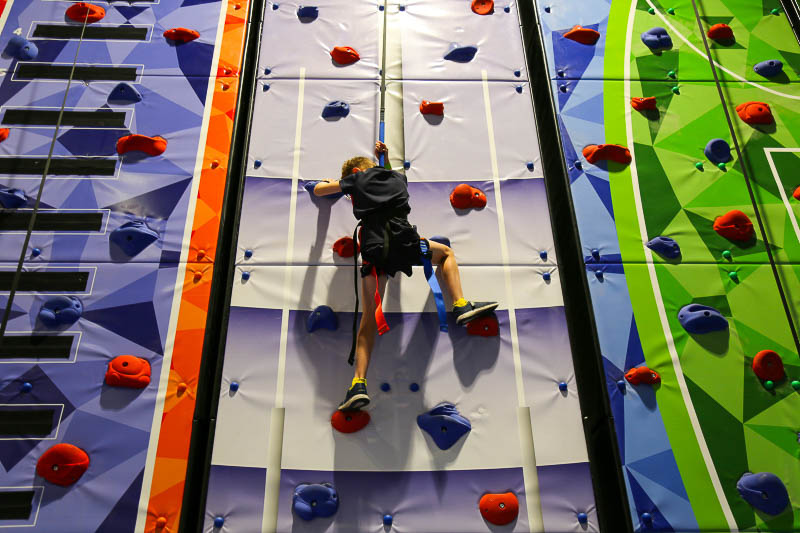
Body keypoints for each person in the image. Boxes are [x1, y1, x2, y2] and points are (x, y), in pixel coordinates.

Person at [314, 141, 497, 410]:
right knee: (444, 253)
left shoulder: (354, 180)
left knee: (369, 316)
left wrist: (331, 183)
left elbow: (320, 191)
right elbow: (383, 175)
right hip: (406, 242)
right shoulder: (399, 178)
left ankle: (358, 383)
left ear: (355, 171)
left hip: (375, 249)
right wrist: (384, 159)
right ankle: (460, 304)